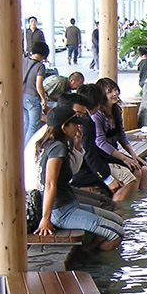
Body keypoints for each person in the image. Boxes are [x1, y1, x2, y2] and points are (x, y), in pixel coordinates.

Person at [34, 106, 124, 251]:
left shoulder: (47, 144)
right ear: (64, 127)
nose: (78, 127)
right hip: (62, 212)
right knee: (116, 233)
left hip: (68, 205)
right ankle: (97, 265)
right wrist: (45, 219)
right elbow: (50, 184)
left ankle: (89, 250)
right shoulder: (58, 148)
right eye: (75, 124)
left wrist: (77, 144)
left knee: (118, 220)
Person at [92, 77, 147, 193]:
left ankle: (143, 202)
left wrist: (134, 156)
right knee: (136, 170)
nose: (115, 94)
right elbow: (101, 143)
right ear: (102, 95)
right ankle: (132, 203)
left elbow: (122, 137)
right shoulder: (97, 116)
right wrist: (125, 159)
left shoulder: (116, 111)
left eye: (115, 90)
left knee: (144, 168)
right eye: (110, 92)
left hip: (115, 154)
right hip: (102, 156)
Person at [71, 84, 129, 201]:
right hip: (82, 174)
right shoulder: (87, 122)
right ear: (99, 103)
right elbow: (90, 153)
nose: (115, 94)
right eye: (109, 92)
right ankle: (120, 212)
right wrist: (107, 179)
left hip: (86, 167)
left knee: (134, 170)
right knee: (129, 179)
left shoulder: (113, 112)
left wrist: (125, 159)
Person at [22, 41, 50, 146]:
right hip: (32, 97)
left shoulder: (23, 61)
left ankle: (22, 148)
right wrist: (43, 99)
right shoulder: (40, 66)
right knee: (33, 125)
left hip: (22, 96)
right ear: (43, 54)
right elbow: (39, 85)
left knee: (26, 124)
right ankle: (27, 148)